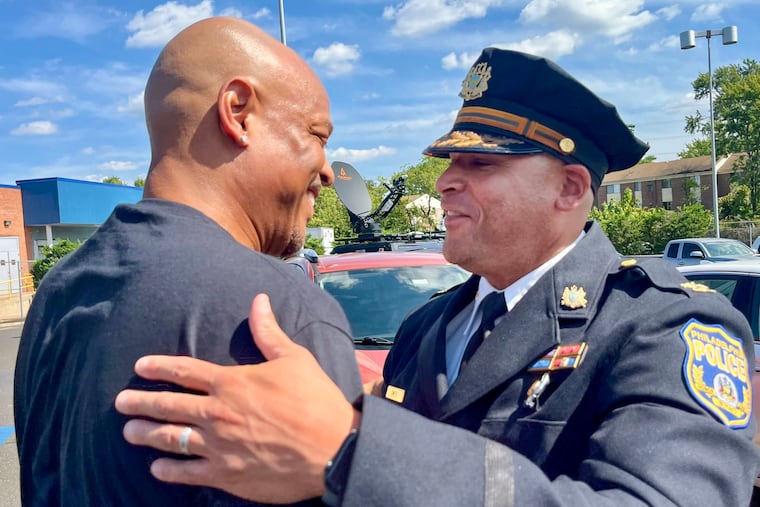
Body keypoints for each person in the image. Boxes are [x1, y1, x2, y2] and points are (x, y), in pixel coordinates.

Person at [115, 48, 759, 506]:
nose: (447, 180)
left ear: (569, 187)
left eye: (481, 163)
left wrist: (352, 451)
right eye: (450, 160)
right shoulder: (429, 326)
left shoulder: (665, 327)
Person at [13, 16, 362, 506]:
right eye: (317, 135)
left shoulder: (58, 291)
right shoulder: (281, 314)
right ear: (238, 113)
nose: (327, 170)